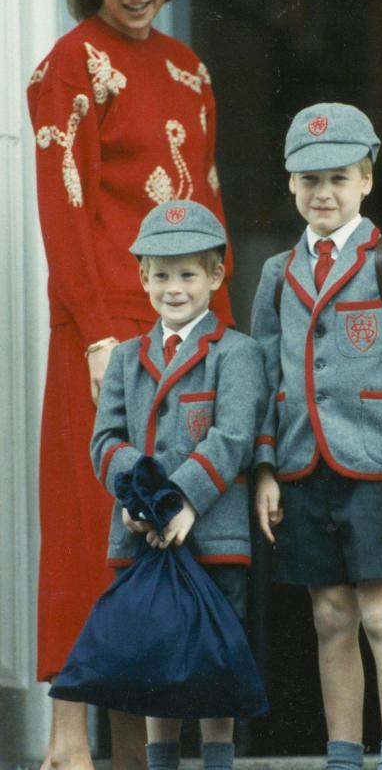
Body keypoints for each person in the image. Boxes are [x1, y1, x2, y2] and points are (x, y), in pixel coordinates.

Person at [26, 0, 234, 770]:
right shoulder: (69, 64)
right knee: (87, 525)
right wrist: (98, 331)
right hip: (104, 332)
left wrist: (226, 335)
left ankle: (130, 747)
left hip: (186, 337)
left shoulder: (191, 71)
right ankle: (67, 737)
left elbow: (207, 204)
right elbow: (63, 207)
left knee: (170, 529)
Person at [251, 103, 382, 770]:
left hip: (374, 464)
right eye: (308, 180)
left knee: (380, 613)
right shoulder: (278, 274)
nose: (323, 193)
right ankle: (343, 752)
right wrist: (267, 466)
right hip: (305, 464)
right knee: (329, 616)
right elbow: (265, 374)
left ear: (366, 178)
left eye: (338, 177)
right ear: (289, 185)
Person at [90, 199, 266, 770]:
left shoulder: (237, 353)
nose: (173, 288)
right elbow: (106, 440)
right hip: (143, 535)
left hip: (211, 534)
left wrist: (184, 499)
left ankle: (218, 761)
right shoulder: (124, 358)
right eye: (160, 274)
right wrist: (137, 500)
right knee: (153, 662)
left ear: (215, 276)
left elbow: (233, 435)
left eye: (188, 273)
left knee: (214, 657)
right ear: (142, 277)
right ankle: (161, 761)